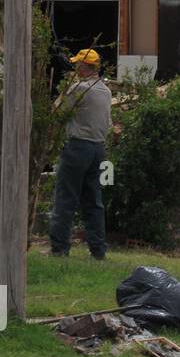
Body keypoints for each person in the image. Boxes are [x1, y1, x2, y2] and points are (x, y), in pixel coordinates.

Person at [49, 48, 112, 259]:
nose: (75, 68)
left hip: (77, 147)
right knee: (93, 202)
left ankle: (59, 249)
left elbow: (57, 110)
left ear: (85, 67)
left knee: (65, 199)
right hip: (98, 149)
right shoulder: (106, 91)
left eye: (78, 65)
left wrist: (66, 87)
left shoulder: (79, 88)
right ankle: (98, 251)